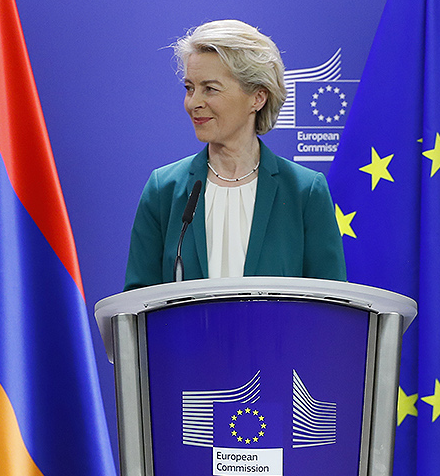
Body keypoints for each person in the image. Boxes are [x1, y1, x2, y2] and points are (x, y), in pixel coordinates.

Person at [124, 19, 346, 290]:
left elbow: (330, 302)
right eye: (190, 88)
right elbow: (137, 301)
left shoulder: (304, 192)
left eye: (210, 89)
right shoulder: (165, 189)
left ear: (257, 98)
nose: (193, 103)